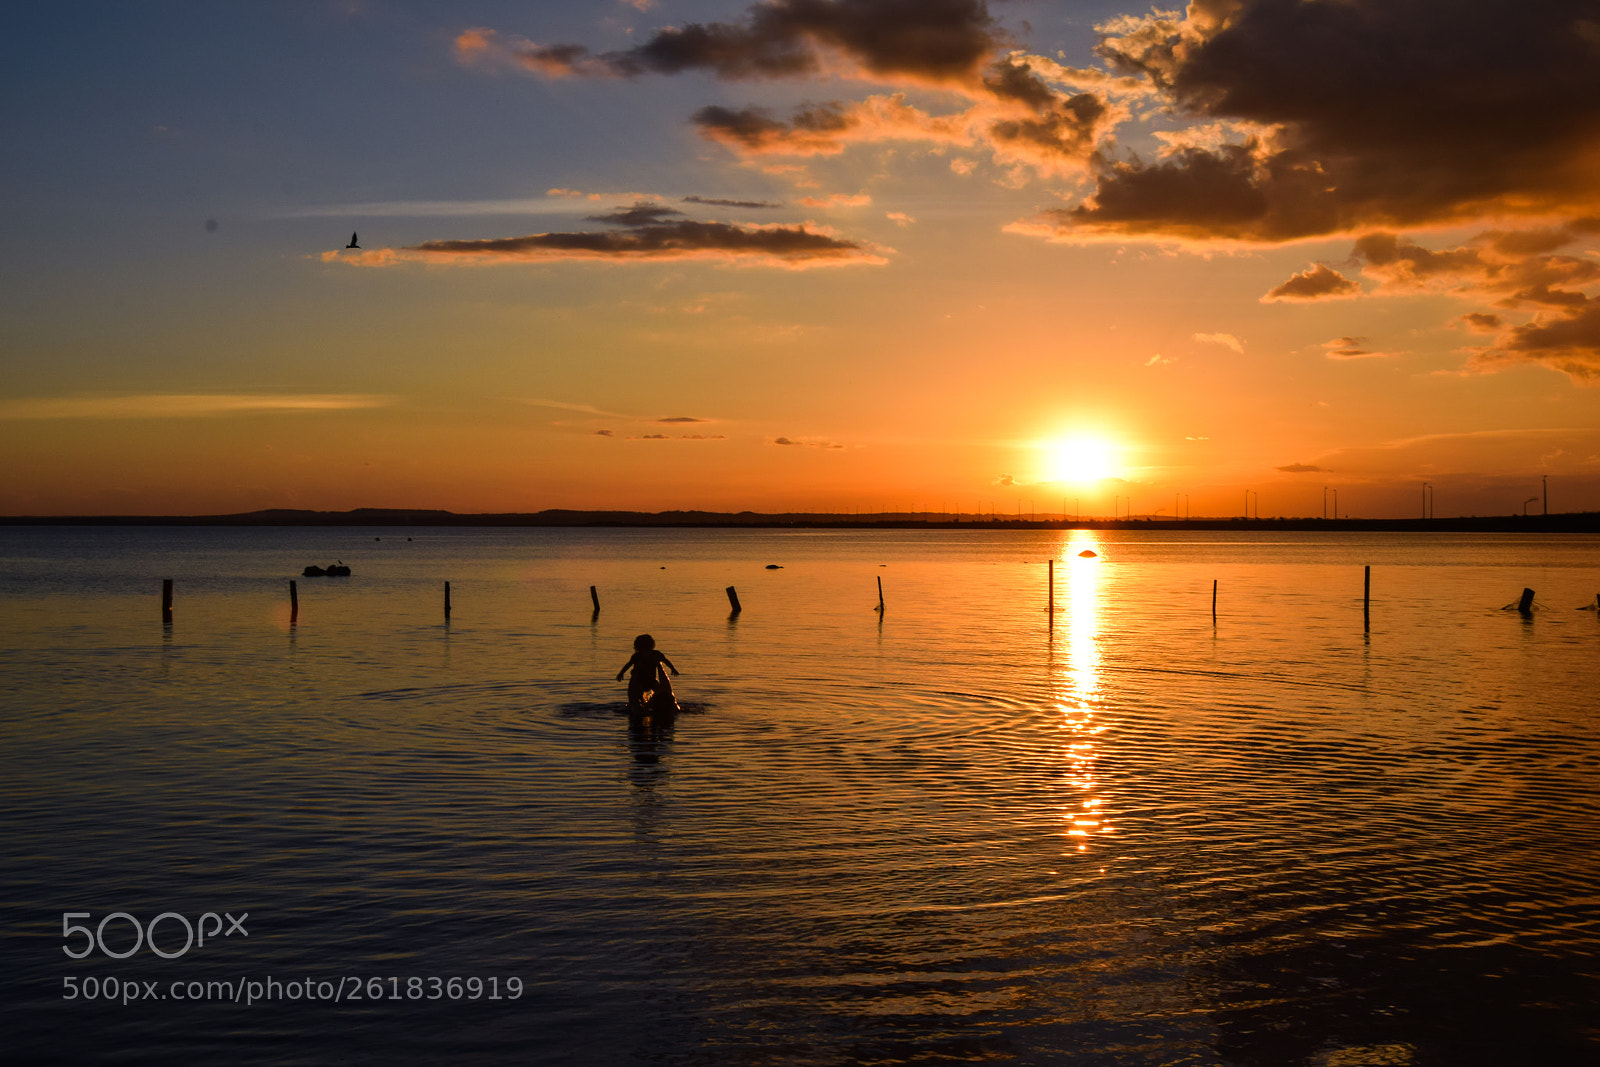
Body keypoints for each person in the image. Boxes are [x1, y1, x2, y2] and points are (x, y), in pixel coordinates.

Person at [617, 634, 679, 712]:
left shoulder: (652, 654)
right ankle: (643, 705)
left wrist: (621, 673)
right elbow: (629, 664)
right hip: (640, 680)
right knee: (642, 695)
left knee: (658, 692)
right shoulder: (639, 656)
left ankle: (646, 705)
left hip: (649, 680)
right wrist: (621, 673)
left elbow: (666, 661)